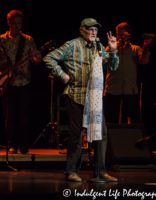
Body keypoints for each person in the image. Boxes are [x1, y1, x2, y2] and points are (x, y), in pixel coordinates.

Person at [43, 18, 119, 182]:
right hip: (76, 95)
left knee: (101, 134)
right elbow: (49, 58)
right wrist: (62, 75)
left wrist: (112, 51)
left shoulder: (99, 47)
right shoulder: (72, 45)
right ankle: (71, 171)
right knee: (76, 135)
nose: (93, 33)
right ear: (81, 30)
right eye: (90, 29)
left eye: (95, 30)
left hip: (95, 97)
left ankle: (100, 171)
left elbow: (112, 67)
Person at [0, 10, 42, 154]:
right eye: (14, 23)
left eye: (19, 23)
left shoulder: (28, 40)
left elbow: (35, 61)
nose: (17, 26)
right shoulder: (1, 40)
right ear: (9, 23)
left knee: (24, 116)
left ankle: (23, 145)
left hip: (24, 82)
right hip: (7, 83)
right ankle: (12, 145)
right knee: (9, 117)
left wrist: (38, 59)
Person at [104, 22, 150, 124]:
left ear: (129, 36)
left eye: (123, 35)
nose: (120, 37)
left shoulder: (135, 49)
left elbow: (144, 61)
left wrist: (145, 49)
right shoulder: (110, 48)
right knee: (110, 121)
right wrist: (116, 48)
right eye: (118, 35)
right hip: (113, 90)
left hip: (130, 90)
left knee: (134, 121)